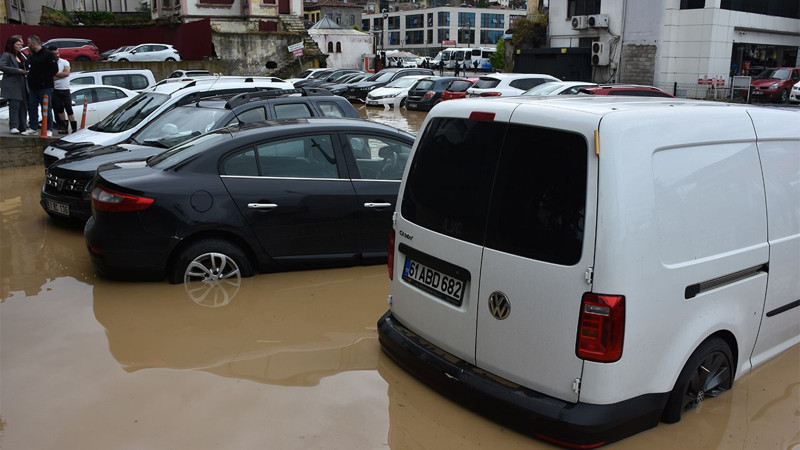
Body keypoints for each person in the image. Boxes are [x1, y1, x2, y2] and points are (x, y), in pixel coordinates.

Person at [22, 35, 58, 136]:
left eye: (29, 43)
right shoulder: (32, 55)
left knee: (46, 108)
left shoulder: (48, 54)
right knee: (32, 106)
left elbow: (54, 69)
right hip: (33, 86)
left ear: (34, 43)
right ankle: (33, 127)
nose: (28, 45)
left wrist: (43, 78)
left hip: (45, 86)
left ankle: (48, 129)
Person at [0, 36, 29, 134]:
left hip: (23, 84)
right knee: (14, 105)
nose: (21, 46)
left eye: (21, 44)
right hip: (12, 84)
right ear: (12, 45)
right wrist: (17, 71)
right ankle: (13, 126)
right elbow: (2, 66)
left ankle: (22, 127)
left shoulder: (21, 56)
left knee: (23, 106)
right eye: (18, 44)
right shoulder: (7, 55)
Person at [49, 46, 77, 134]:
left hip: (65, 89)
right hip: (55, 89)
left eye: (57, 53)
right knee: (59, 109)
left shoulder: (64, 62)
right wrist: (59, 76)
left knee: (69, 109)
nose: (56, 55)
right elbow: (49, 78)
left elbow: (66, 73)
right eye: (54, 54)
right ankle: (64, 127)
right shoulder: (49, 63)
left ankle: (74, 128)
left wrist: (55, 75)